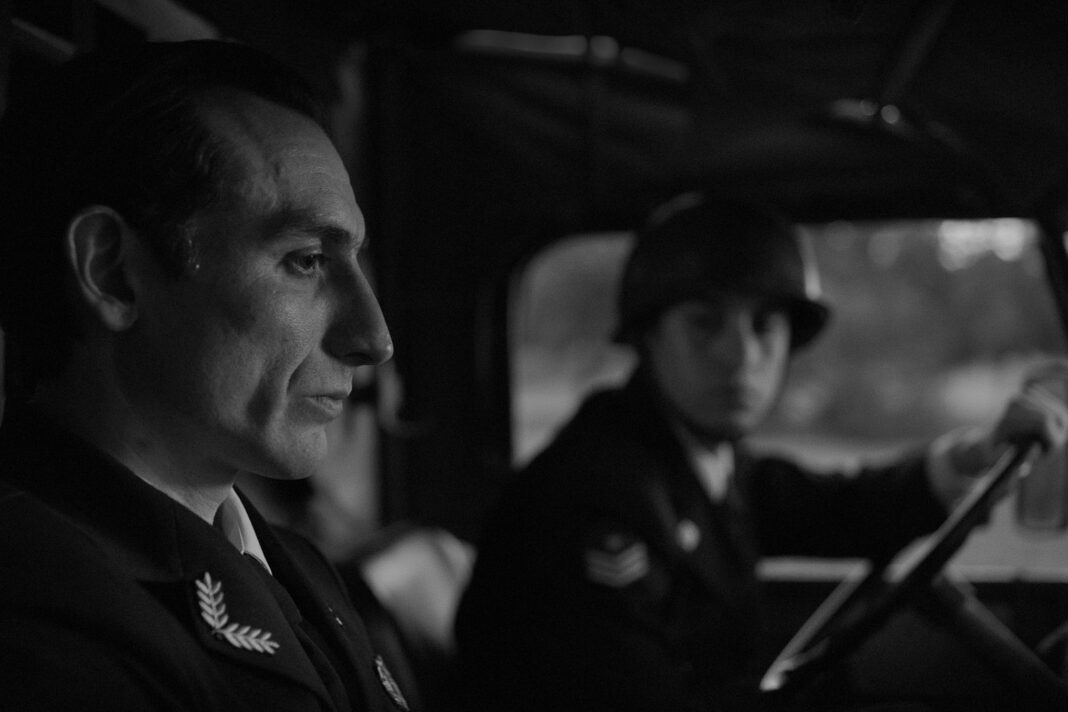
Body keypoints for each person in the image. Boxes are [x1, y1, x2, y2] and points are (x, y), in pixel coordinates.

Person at [453, 193, 1068, 712]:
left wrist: (977, 455)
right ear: (647, 336)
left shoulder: (701, 457)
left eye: (765, 327)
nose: (742, 357)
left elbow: (840, 506)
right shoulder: (597, 493)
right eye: (704, 323)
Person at [0, 40, 412, 712]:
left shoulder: (295, 569)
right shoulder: (37, 612)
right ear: (112, 272)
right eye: (306, 261)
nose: (373, 340)